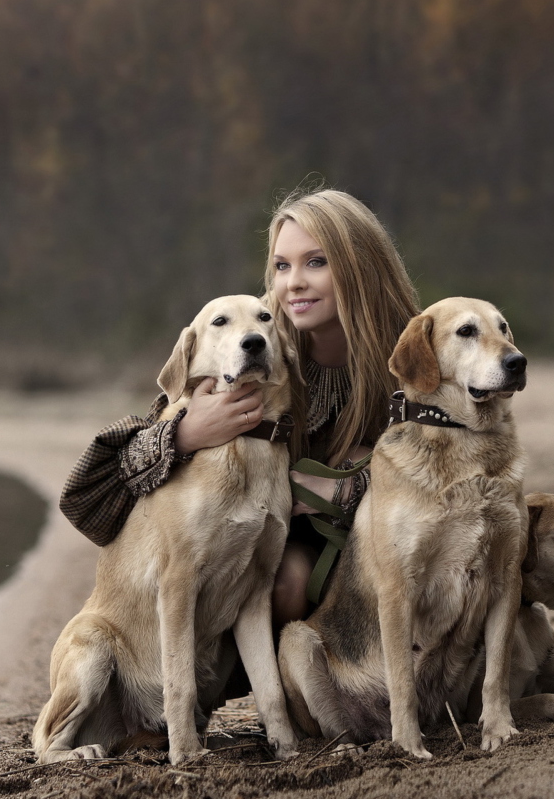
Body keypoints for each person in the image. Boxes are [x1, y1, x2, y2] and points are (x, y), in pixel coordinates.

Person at [59, 186, 420, 624]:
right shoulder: (250, 338)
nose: (294, 283)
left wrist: (351, 486)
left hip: (389, 540)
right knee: (287, 580)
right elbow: (98, 496)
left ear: (360, 265)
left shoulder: (414, 353)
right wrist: (187, 433)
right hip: (265, 545)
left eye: (317, 262)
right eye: (282, 266)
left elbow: (453, 473)